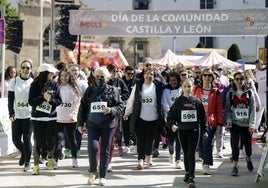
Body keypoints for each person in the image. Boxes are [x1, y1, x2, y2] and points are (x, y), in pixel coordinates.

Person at [77, 67, 123, 186]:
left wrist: (111, 110)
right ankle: (93, 172)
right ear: (93, 77)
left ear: (106, 78)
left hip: (108, 124)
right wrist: (80, 124)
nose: (99, 79)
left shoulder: (113, 90)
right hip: (92, 124)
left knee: (105, 149)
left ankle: (103, 176)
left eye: (102, 76)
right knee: (93, 148)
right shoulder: (90, 90)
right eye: (97, 76)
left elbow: (120, 106)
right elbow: (83, 107)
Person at [167, 79, 207, 188]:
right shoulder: (178, 101)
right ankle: (187, 172)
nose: (187, 88)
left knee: (191, 154)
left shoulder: (197, 101)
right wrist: (172, 125)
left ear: (192, 87)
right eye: (185, 86)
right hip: (182, 131)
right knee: (185, 153)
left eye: (189, 86)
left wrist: (204, 130)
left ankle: (191, 177)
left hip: (194, 131)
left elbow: (203, 118)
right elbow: (171, 116)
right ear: (182, 88)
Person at [123, 68, 164, 170]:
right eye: (147, 73)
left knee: (150, 139)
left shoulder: (157, 87)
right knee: (140, 139)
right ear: (144, 75)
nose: (149, 76)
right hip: (140, 117)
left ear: (154, 77)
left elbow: (162, 101)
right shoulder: (138, 85)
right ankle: (140, 160)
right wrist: (127, 112)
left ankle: (149, 158)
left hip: (154, 118)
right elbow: (131, 100)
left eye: (152, 74)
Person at [28, 63, 62, 175]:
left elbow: (59, 101)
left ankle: (50, 158)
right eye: (51, 72)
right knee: (38, 143)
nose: (53, 74)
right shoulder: (34, 85)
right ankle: (36, 165)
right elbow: (31, 101)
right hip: (37, 118)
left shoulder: (55, 85)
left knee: (51, 142)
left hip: (51, 118)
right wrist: (42, 98)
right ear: (45, 73)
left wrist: (50, 100)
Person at [193, 68, 224, 175]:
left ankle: (206, 164)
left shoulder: (216, 92)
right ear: (201, 77)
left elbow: (219, 108)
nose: (207, 77)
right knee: (200, 144)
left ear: (212, 78)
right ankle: (203, 157)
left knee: (206, 142)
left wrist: (220, 123)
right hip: (198, 121)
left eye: (209, 75)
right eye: (205, 75)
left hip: (210, 122)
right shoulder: (196, 89)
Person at [225, 71, 256, 176]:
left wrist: (252, 124)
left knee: (247, 146)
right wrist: (228, 121)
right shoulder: (230, 93)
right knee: (235, 145)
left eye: (241, 79)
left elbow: (252, 108)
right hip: (235, 123)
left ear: (245, 80)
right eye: (237, 79)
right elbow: (227, 109)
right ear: (234, 80)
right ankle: (235, 166)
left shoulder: (249, 92)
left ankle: (248, 158)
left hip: (246, 124)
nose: (239, 81)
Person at [8, 59, 34, 172]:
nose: (25, 70)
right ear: (20, 68)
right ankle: (24, 152)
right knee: (15, 140)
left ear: (30, 69)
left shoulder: (33, 82)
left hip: (29, 115)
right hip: (17, 115)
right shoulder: (14, 81)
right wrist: (11, 113)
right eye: (23, 67)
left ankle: (27, 162)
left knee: (27, 138)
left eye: (27, 68)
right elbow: (10, 99)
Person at [54, 68, 83, 168]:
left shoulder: (74, 88)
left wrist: (74, 115)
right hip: (58, 118)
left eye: (66, 76)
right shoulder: (57, 87)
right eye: (62, 76)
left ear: (69, 77)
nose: (63, 78)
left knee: (72, 139)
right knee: (58, 139)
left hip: (70, 119)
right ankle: (55, 160)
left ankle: (74, 159)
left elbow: (77, 103)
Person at [64, 63, 88, 158]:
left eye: (76, 70)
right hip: (67, 110)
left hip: (79, 110)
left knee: (78, 130)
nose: (74, 72)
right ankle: (67, 148)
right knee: (67, 130)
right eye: (72, 70)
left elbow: (86, 97)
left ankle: (77, 149)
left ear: (79, 72)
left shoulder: (83, 83)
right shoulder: (65, 82)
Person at [161, 71, 183, 168]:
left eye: (175, 80)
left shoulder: (181, 89)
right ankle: (171, 153)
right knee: (171, 139)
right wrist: (170, 111)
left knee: (179, 139)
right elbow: (164, 101)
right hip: (169, 117)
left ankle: (178, 159)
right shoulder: (165, 89)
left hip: (179, 117)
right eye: (171, 80)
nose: (173, 82)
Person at [121, 66, 139, 153]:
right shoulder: (121, 81)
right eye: (129, 74)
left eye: (132, 74)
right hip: (124, 107)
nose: (131, 75)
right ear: (125, 73)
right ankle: (127, 144)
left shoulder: (136, 82)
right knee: (125, 127)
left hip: (134, 108)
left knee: (135, 126)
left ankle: (135, 144)